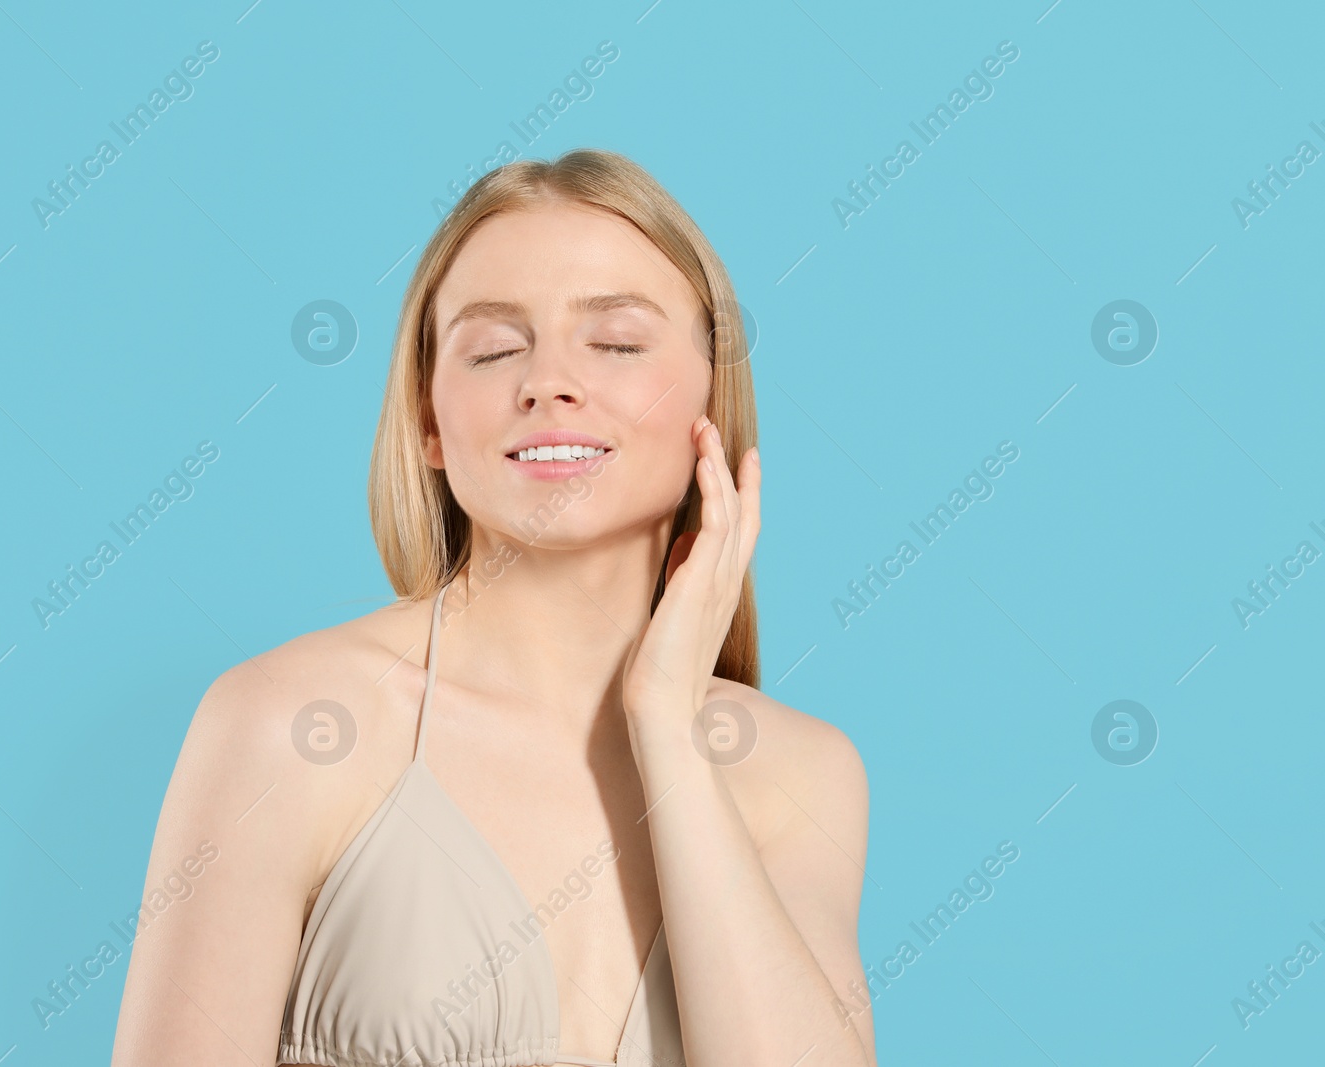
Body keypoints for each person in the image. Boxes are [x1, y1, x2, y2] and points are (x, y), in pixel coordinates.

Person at [112, 148, 875, 1067]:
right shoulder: (291, 725)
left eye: (618, 342)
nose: (549, 380)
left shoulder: (801, 771)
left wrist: (666, 719)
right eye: (495, 348)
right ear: (430, 421)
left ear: (711, 397)